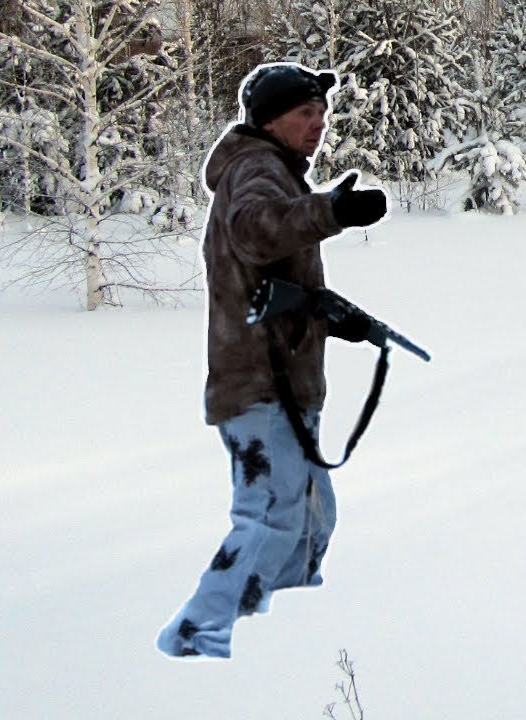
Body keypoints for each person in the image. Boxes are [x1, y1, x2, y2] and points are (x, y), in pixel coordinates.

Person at [156, 62, 388, 659]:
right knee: (270, 517)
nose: (319, 124)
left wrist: (337, 316)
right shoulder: (255, 169)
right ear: (269, 120)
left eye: (322, 113)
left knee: (310, 520)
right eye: (304, 114)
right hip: (259, 388)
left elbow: (267, 280)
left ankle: (279, 635)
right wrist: (332, 212)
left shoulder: (275, 173)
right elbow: (259, 234)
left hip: (286, 385)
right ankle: (198, 636)